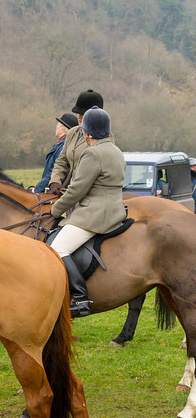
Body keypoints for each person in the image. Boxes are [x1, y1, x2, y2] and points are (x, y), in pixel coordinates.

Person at [48, 106, 127, 317]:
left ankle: (80, 297)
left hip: (95, 214)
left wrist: (56, 210)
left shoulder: (92, 153)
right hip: (116, 210)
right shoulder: (116, 150)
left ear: (86, 132)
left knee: (57, 249)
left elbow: (76, 190)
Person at [47, 89, 105, 195]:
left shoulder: (104, 136)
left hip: (91, 193)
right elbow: (62, 161)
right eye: (79, 114)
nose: (80, 117)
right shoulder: (73, 132)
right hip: (70, 190)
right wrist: (55, 181)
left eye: (85, 115)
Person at [33, 113, 79, 193]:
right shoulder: (62, 144)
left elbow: (54, 171)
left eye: (57, 125)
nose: (56, 127)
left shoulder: (63, 146)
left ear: (62, 128)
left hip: (55, 191)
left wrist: (37, 189)